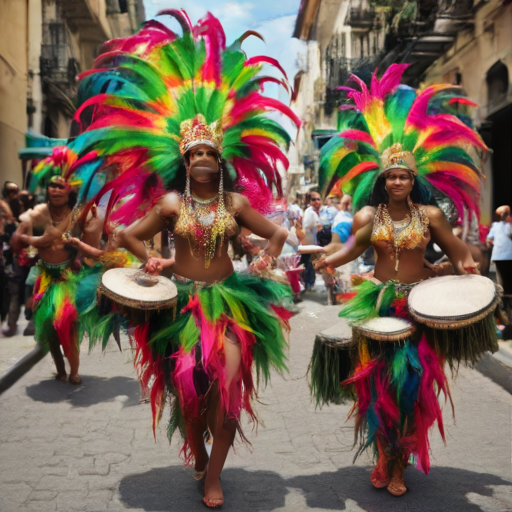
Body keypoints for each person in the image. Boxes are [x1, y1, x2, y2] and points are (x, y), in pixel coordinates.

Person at [65, 11, 299, 508]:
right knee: (190, 394)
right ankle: (195, 445)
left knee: (230, 393)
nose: (201, 161)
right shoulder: (172, 205)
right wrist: (152, 258)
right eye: (193, 154)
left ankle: (214, 474)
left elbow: (278, 232)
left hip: (232, 303)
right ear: (184, 161)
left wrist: (264, 259)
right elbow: (127, 235)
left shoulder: (235, 205)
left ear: (220, 159)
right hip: (180, 306)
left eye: (208, 153)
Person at [314, 64, 491, 496]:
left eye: (404, 175)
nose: (396, 180)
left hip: (419, 306)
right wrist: (328, 261)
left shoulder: (429, 216)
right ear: (382, 180)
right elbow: (354, 249)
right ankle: (383, 454)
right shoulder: (369, 216)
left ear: (414, 181)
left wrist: (465, 268)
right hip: (377, 304)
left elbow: (458, 250)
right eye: (390, 175)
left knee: (411, 387)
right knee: (376, 386)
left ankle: (400, 464)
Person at [487, 205, 512, 321]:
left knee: (508, 284)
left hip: (508, 257)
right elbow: (489, 239)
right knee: (502, 284)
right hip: (500, 257)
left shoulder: (509, 226)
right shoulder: (496, 226)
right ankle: (503, 311)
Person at [301, 192, 322, 289]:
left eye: (318, 199)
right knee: (308, 264)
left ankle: (307, 284)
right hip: (308, 244)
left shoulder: (312, 211)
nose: (317, 202)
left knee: (309, 264)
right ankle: (308, 284)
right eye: (314, 200)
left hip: (310, 243)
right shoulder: (311, 213)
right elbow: (319, 228)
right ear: (310, 202)